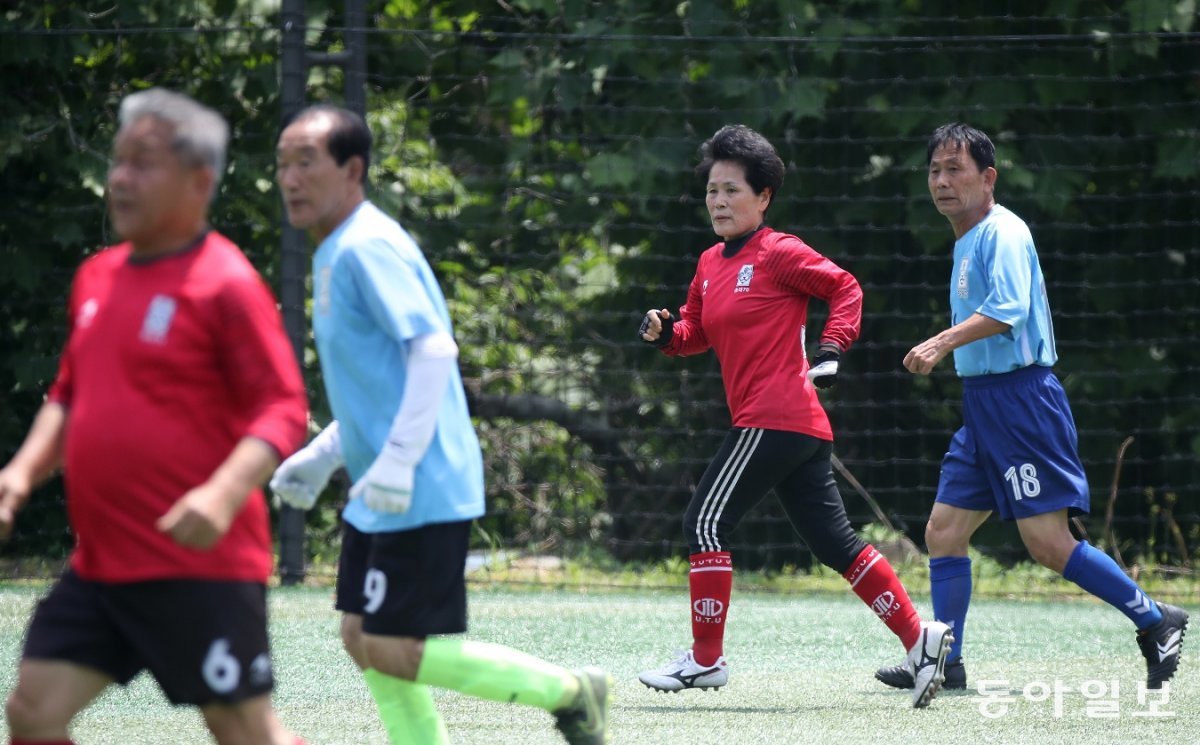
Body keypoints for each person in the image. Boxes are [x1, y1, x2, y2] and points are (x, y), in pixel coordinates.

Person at [269, 104, 612, 744]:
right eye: (282, 163)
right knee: (359, 636)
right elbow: (381, 385)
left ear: (353, 170)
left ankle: (570, 693)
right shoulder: (336, 248)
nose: (289, 177)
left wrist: (398, 462)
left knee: (388, 644)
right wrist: (325, 454)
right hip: (383, 486)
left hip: (419, 484)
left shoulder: (367, 246)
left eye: (305, 162)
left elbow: (432, 353)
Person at [0, 89, 310, 745]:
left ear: (199, 182)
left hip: (201, 568)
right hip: (103, 565)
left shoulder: (224, 282)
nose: (119, 178)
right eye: (118, 161)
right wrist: (21, 473)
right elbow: (69, 395)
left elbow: (283, 407)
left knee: (245, 730)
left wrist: (223, 493)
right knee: (32, 712)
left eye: (143, 163)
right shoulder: (98, 277)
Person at [635, 123, 952, 709]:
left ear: (764, 198)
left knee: (705, 523)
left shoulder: (779, 251)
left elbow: (846, 288)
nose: (720, 202)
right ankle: (921, 638)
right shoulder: (709, 263)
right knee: (837, 544)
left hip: (775, 416)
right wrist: (664, 333)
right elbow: (695, 331)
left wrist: (832, 349)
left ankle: (705, 661)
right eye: (712, 191)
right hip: (795, 427)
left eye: (732, 190)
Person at [874, 122, 1188, 693]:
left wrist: (942, 341)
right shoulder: (967, 238)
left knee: (1047, 545)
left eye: (956, 170)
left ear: (988, 178)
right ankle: (947, 660)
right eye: (935, 171)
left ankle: (1156, 619)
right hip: (984, 406)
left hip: (1022, 402)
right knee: (943, 531)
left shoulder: (1004, 232)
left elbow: (1011, 309)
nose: (942, 182)